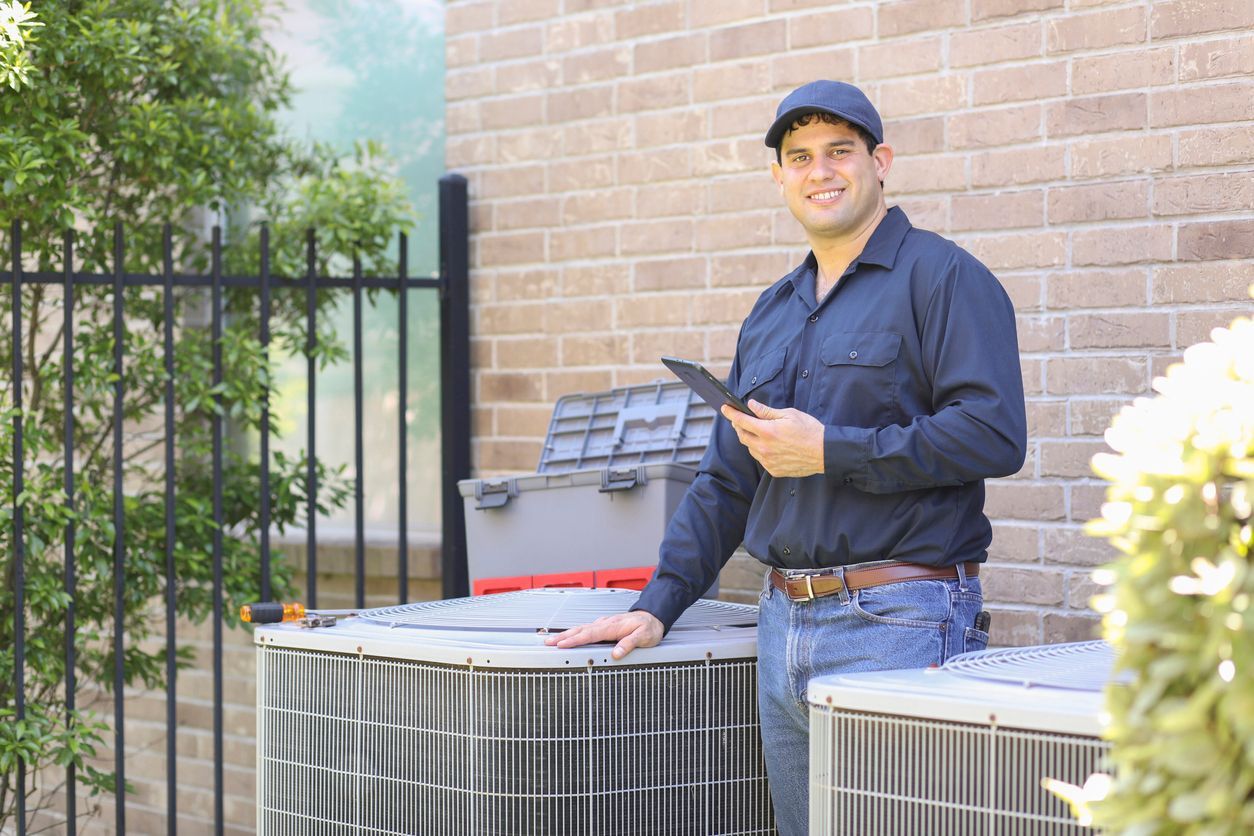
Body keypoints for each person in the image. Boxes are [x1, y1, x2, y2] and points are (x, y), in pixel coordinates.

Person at [545, 80, 1027, 836]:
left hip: (899, 620)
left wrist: (831, 450)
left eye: (840, 150)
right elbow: (727, 479)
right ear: (779, 177)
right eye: (798, 156)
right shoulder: (773, 311)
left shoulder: (944, 279)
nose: (820, 170)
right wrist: (655, 604)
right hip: (782, 626)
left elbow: (995, 434)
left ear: (881, 162)